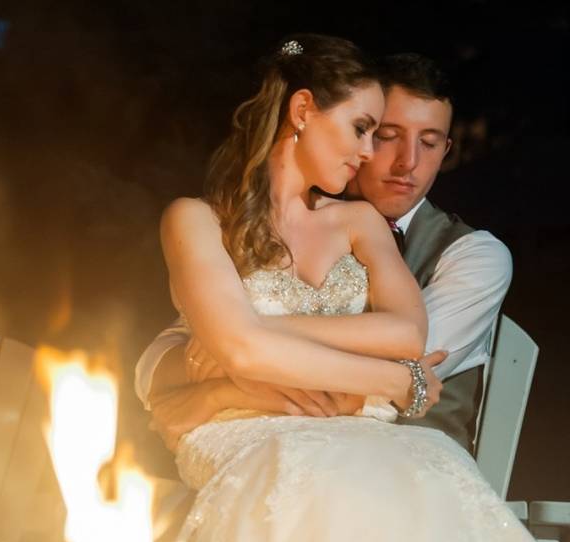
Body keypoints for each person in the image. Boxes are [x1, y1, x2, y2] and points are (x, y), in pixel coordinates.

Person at [149, 34, 570, 542]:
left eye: (426, 143)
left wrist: (240, 332)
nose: (378, 155)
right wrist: (394, 380)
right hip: (262, 430)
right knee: (327, 488)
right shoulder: (198, 218)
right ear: (302, 113)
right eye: (369, 130)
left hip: (364, 435)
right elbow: (190, 348)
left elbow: (407, 333)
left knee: (420, 474)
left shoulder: (414, 237)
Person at [137, 53, 511, 455]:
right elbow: (167, 356)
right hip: (263, 445)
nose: (407, 162)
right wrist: (223, 365)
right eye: (379, 132)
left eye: (430, 142)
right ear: (304, 113)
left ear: (446, 149)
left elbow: (408, 361)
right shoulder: (209, 220)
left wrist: (239, 340)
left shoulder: (473, 254)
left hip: (402, 454)